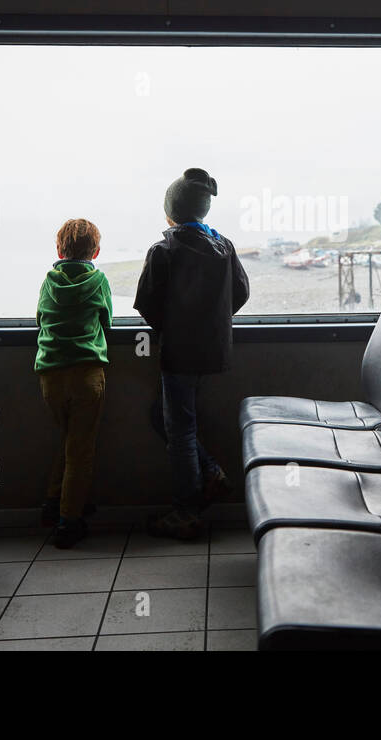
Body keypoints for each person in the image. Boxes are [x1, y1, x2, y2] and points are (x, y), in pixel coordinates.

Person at [135, 168, 250, 540]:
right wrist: (212, 322)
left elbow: (147, 304)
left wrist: (175, 327)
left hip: (179, 353)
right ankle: (212, 472)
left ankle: (187, 511)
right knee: (168, 417)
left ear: (170, 212)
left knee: (180, 429)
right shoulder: (224, 246)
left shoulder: (163, 250)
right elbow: (241, 293)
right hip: (214, 349)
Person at [35, 218, 112, 548]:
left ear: (58, 249)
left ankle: (55, 503)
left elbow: (40, 318)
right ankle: (69, 521)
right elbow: (107, 320)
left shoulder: (49, 281)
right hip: (85, 374)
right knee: (81, 449)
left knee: (68, 440)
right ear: (96, 251)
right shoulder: (98, 281)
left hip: (50, 374)